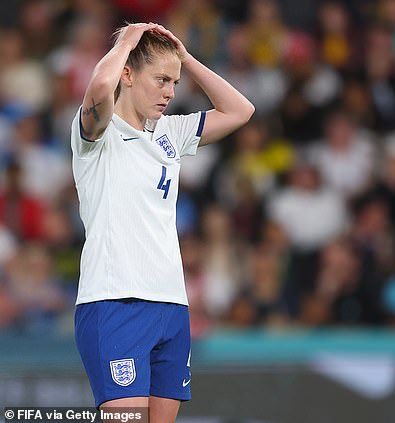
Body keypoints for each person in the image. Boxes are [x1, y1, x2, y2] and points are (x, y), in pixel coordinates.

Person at [70, 22, 254, 422]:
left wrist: (185, 58)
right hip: (114, 301)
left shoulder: (171, 132)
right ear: (129, 75)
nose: (170, 92)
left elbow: (241, 110)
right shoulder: (96, 134)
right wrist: (127, 42)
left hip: (171, 305)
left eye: (174, 81)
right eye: (161, 79)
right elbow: (100, 89)